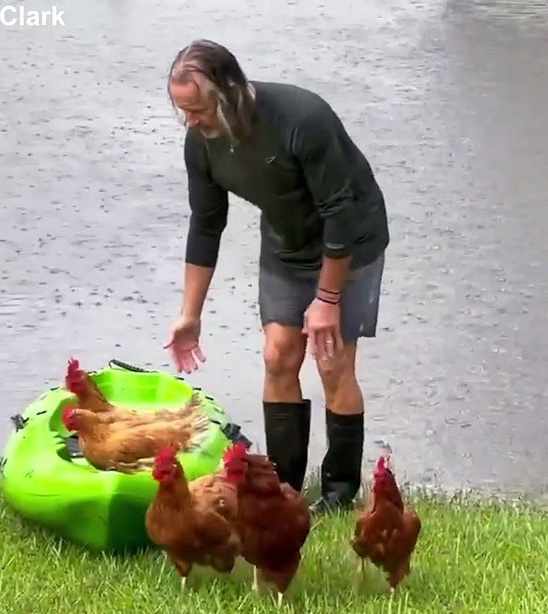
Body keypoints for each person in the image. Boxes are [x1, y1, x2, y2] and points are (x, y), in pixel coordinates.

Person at [161, 39, 390, 514]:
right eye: (183, 112)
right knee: (278, 356)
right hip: (288, 244)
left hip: (351, 238)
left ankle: (339, 494)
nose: (192, 122)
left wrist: (327, 300)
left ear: (229, 92)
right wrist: (190, 314)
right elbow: (206, 225)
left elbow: (340, 212)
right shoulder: (201, 144)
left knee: (332, 363)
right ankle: (284, 491)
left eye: (198, 109)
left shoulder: (303, 119)